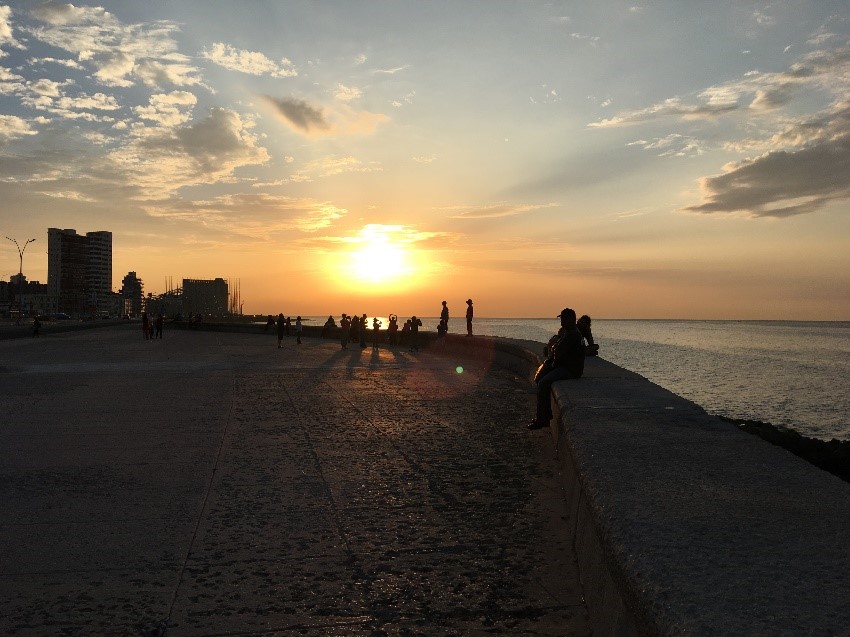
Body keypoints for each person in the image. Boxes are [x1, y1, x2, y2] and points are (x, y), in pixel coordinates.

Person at [528, 308, 585, 430]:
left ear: (571, 319)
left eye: (564, 319)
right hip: (566, 366)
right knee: (540, 379)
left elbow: (558, 353)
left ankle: (542, 419)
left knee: (543, 383)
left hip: (570, 370)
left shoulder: (572, 335)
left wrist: (552, 358)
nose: (562, 322)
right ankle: (544, 416)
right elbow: (556, 349)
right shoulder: (569, 333)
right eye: (561, 319)